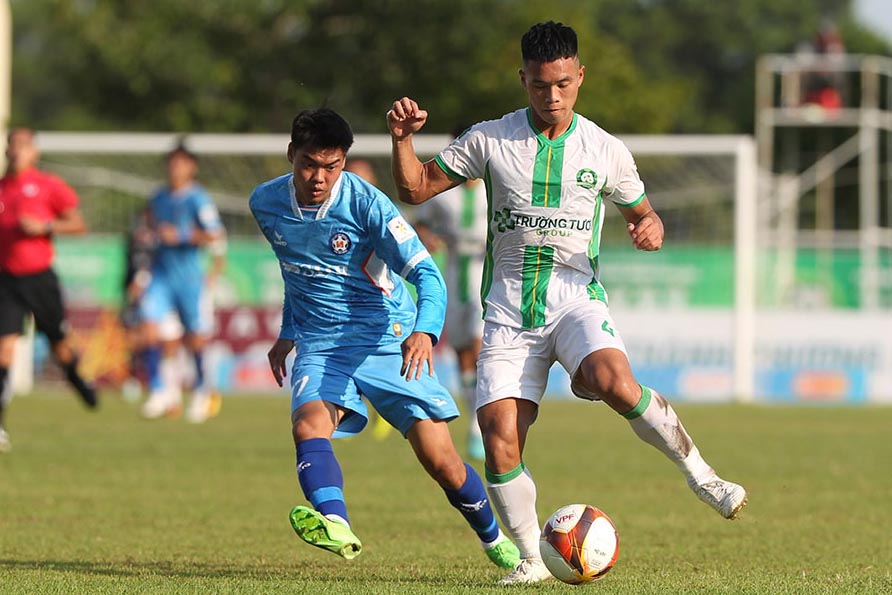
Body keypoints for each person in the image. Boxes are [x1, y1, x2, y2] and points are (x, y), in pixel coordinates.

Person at [387, 21, 747, 584]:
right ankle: (533, 559)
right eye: (538, 85)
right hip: (507, 312)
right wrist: (402, 140)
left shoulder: (606, 150)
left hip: (575, 300)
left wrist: (649, 226)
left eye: (561, 84)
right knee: (499, 442)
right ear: (522, 80)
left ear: (579, 76)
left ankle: (701, 474)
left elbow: (642, 211)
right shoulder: (491, 139)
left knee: (615, 380)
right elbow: (415, 189)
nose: (550, 96)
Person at [249, 108, 520, 569]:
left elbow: (427, 276)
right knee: (307, 426)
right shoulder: (265, 203)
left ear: (345, 162)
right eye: (310, 164)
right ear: (291, 155)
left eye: (331, 167)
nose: (319, 177)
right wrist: (288, 332)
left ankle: (494, 538)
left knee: (443, 463)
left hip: (387, 339)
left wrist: (424, 331)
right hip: (322, 342)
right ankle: (336, 523)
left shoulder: (368, 205)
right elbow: (298, 274)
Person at [0, 127, 98, 453]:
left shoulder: (47, 186)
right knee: (4, 350)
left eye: (23, 146)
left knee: (59, 346)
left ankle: (74, 377)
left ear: (34, 152)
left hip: (40, 278)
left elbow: (79, 224)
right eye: (12, 145)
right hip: (6, 280)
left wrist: (44, 226)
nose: (16, 151)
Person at [413, 124, 489, 461]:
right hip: (454, 269)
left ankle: (480, 427)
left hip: (488, 269)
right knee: (462, 353)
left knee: (478, 342)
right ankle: (475, 419)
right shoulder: (444, 190)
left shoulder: (495, 183)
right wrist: (427, 235)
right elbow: (420, 220)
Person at [138, 142, 225, 424]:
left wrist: (183, 235)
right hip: (161, 274)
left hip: (189, 277)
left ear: (192, 167)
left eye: (181, 163)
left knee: (194, 338)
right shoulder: (159, 197)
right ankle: (158, 389)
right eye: (171, 163)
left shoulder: (198, 199)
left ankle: (202, 390)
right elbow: (149, 228)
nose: (175, 168)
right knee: (149, 328)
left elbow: (214, 235)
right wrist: (149, 237)